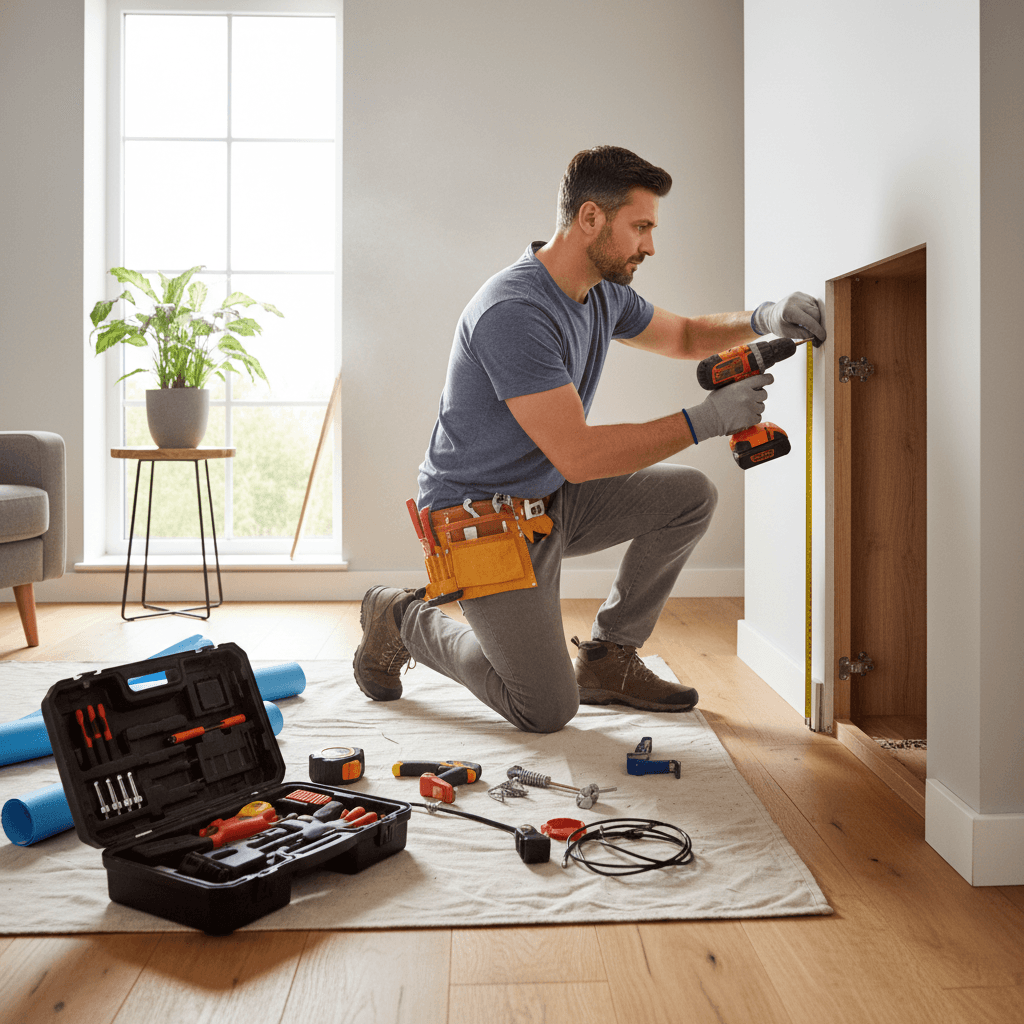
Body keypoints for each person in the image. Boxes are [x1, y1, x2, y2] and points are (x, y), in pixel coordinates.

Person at [353, 146, 825, 733]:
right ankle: (402, 619)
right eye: (641, 227)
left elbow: (682, 335)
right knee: (545, 709)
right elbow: (578, 455)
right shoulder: (515, 311)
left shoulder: (601, 292)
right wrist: (706, 420)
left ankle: (607, 659)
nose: (649, 245)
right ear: (591, 219)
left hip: (548, 501)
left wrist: (764, 316)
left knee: (690, 496)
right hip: (479, 522)